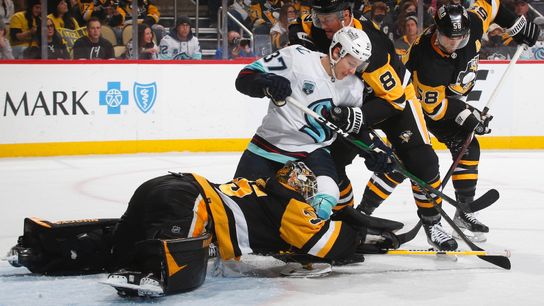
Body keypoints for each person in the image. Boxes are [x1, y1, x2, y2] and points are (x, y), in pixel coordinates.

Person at [7, 162, 404, 297]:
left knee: (116, 244)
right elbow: (325, 246)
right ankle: (150, 268)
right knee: (176, 249)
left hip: (164, 185)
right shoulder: (291, 209)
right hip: (189, 200)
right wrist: (360, 234)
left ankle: (45, 246)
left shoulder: (263, 188)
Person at [363, 2, 540, 242]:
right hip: (413, 105)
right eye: (449, 39)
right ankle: (362, 215)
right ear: (437, 31)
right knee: (404, 163)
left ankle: (464, 211)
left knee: (468, 146)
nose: (455, 43)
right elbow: (434, 110)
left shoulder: (473, 24)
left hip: (444, 102)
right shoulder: (427, 59)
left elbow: (492, 4)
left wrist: (517, 26)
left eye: (460, 37)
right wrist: (468, 115)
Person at [289, 0, 456, 251]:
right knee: (331, 162)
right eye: (317, 17)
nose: (321, 24)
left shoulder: (370, 46)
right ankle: (346, 219)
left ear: (346, 15)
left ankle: (433, 223)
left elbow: (394, 100)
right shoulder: (306, 30)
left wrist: (358, 117)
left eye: (328, 19)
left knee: (422, 162)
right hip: (347, 101)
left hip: (390, 99)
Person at [234, 26, 376, 222]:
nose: (353, 71)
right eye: (351, 63)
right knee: (238, 208)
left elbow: (355, 128)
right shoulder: (297, 57)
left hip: (312, 152)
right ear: (336, 52)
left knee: (327, 197)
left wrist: (371, 150)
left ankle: (305, 237)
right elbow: (244, 79)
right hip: (267, 146)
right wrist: (267, 83)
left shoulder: (353, 87)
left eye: (358, 66)